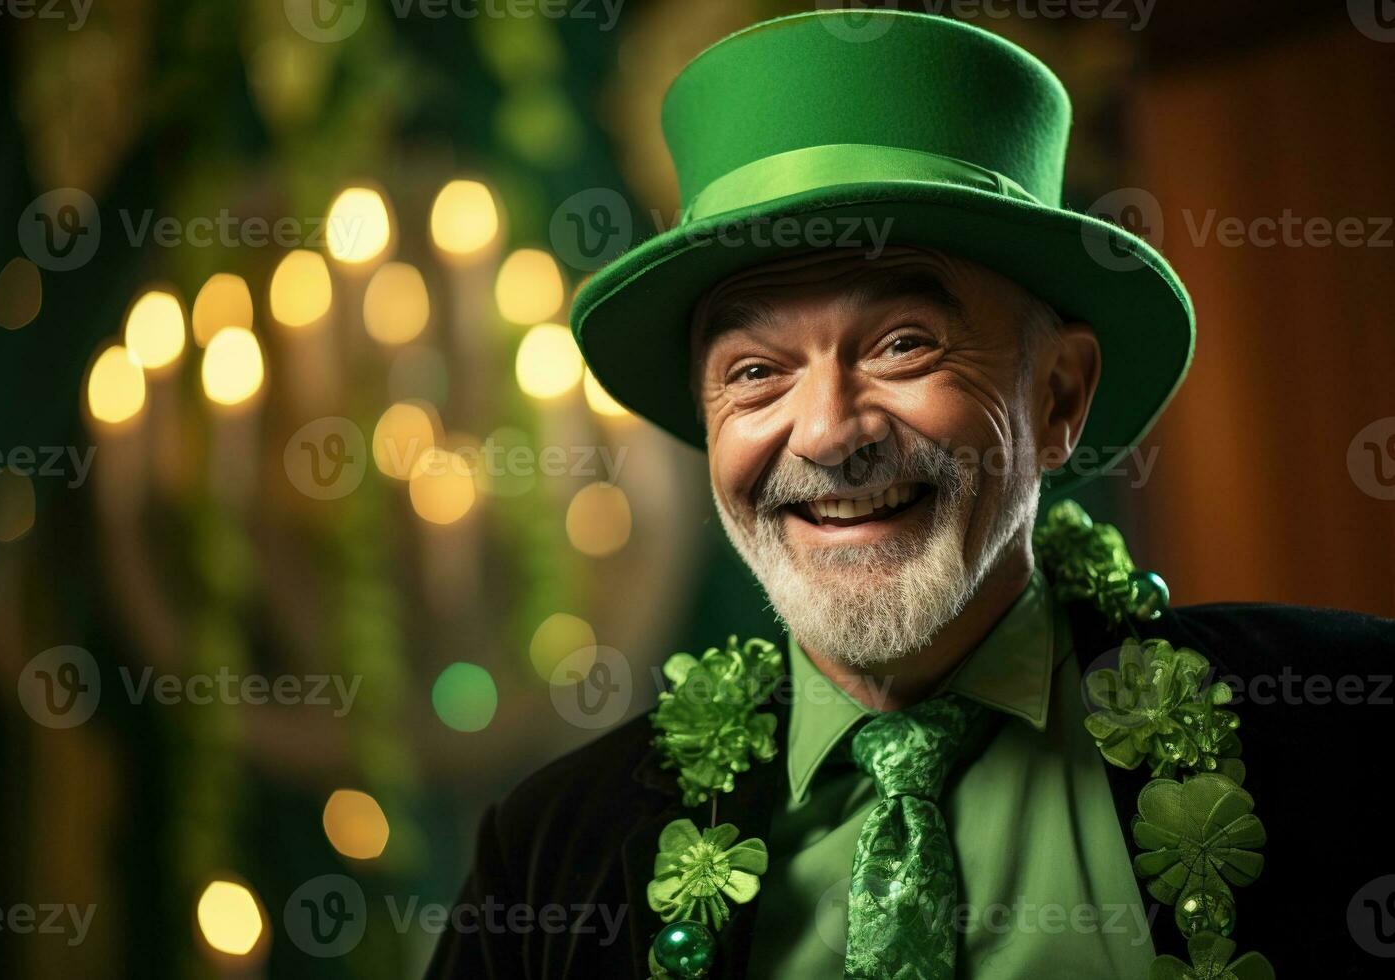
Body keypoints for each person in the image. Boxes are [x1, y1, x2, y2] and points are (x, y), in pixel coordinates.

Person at [429, 10, 1394, 979]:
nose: (829, 432)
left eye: (902, 343)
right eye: (757, 370)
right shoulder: (547, 860)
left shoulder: (1352, 732)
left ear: (1057, 394)